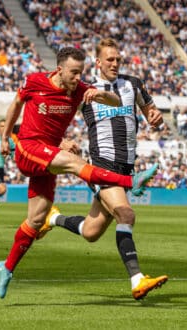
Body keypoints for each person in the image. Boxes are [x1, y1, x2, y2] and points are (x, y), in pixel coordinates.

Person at [0, 47, 158, 299]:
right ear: (59, 70)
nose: (77, 78)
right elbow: (16, 105)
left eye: (81, 73)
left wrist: (99, 93)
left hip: (47, 154)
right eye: (73, 72)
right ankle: (130, 181)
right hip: (28, 149)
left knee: (36, 219)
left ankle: (7, 267)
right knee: (74, 162)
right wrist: (5, 139)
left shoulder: (81, 89)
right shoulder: (34, 81)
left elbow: (116, 102)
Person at [45, 38, 168, 300]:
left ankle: (52, 218)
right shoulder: (85, 90)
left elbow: (151, 113)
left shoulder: (132, 84)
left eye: (117, 59)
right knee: (126, 215)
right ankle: (137, 279)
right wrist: (60, 141)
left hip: (125, 168)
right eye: (109, 59)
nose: (114, 63)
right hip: (101, 165)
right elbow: (53, 121)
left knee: (91, 232)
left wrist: (156, 117)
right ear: (98, 62)